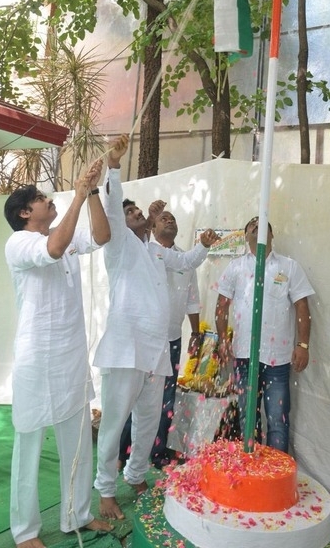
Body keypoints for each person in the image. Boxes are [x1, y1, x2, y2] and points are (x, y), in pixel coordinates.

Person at [94, 133, 218, 521]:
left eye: (139, 214)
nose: (138, 217)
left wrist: (206, 245)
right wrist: (114, 165)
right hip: (125, 348)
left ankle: (136, 475)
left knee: (149, 419)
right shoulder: (118, 246)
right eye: (133, 215)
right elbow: (114, 209)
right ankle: (105, 490)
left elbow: (187, 264)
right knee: (115, 423)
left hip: (156, 349)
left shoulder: (157, 252)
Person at [4, 161, 112, 548]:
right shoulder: (19, 242)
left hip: (70, 356)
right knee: (29, 445)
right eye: (40, 199)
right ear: (24, 213)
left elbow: (102, 235)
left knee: (79, 439)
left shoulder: (61, 234)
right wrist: (78, 194)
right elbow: (53, 248)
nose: (49, 200)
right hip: (36, 359)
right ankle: (25, 531)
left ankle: (77, 515)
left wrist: (94, 191)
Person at [215, 215, 314, 453]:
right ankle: (252, 469)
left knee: (278, 418)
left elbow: (302, 306)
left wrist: (303, 345)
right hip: (243, 354)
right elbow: (222, 304)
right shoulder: (235, 267)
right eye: (252, 225)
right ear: (245, 235)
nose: (257, 228)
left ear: (272, 235)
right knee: (247, 418)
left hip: (277, 359)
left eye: (263, 226)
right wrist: (223, 340)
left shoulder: (289, 267)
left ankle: (275, 474)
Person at [149, 209, 202, 468]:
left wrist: (196, 333)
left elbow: (192, 298)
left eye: (173, 219)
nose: (169, 220)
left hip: (172, 339)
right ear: (152, 226)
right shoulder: (145, 253)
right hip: (146, 340)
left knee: (167, 398)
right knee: (138, 396)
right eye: (163, 218)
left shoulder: (186, 259)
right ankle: (124, 453)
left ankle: (158, 452)